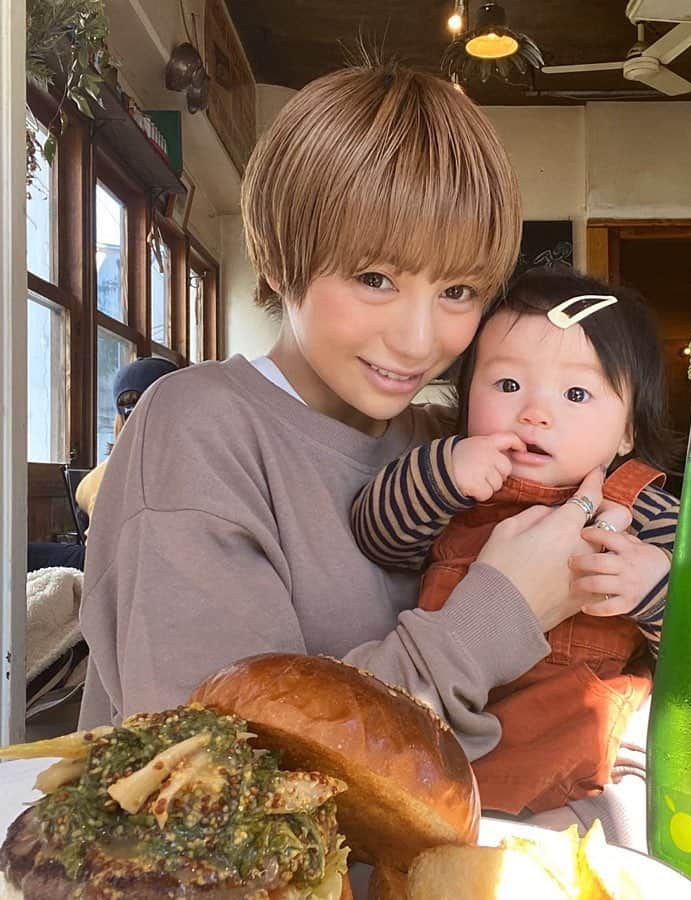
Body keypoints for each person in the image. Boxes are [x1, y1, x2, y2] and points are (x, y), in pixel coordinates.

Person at [76, 63, 622, 770]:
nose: (420, 340)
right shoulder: (197, 427)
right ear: (279, 258)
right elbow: (215, 768)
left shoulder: (452, 441)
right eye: (375, 279)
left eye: (458, 290)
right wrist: (502, 611)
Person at [351, 266, 679, 816]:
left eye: (577, 392)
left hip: (590, 769)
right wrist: (442, 474)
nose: (534, 412)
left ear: (627, 431)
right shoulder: (455, 484)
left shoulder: (641, 509)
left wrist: (656, 589)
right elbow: (377, 537)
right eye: (507, 385)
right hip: (447, 750)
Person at [26, 356, 178, 573]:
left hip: (107, 568)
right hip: (150, 567)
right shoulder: (198, 458)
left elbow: (86, 499)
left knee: (16, 553)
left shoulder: (116, 470)